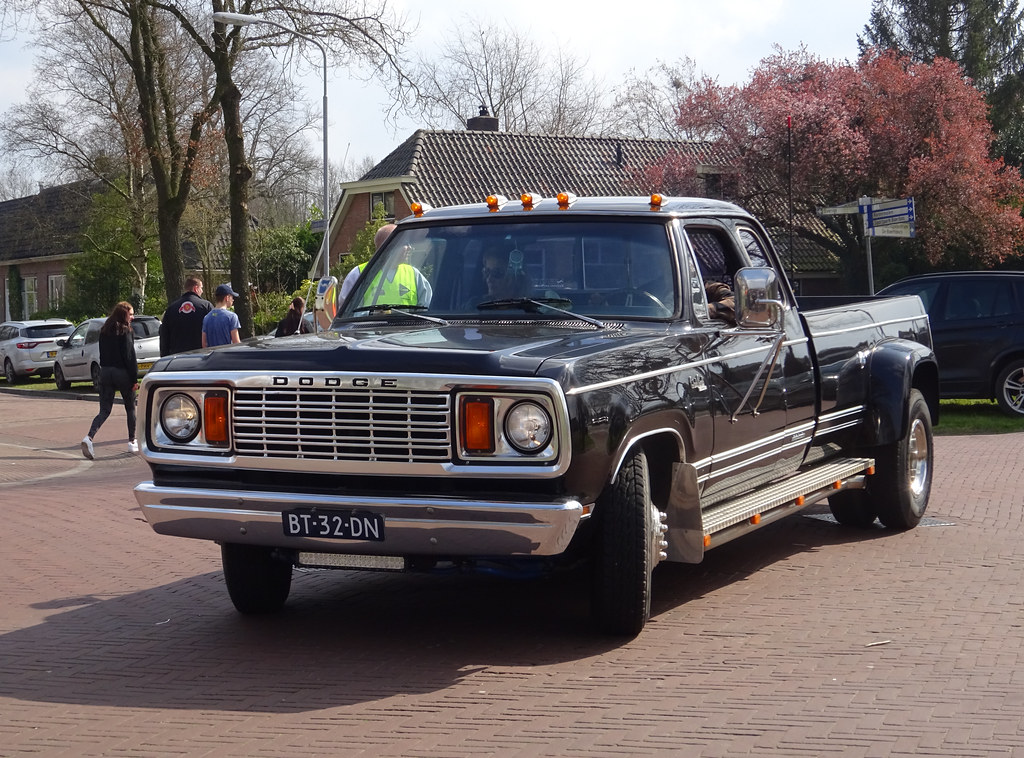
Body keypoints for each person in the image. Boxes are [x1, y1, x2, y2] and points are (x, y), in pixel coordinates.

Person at [81, 301, 140, 459]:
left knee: (104, 410)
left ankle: (89, 437)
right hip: (122, 373)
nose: (133, 317)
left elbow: (102, 354)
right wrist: (134, 378)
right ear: (124, 315)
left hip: (105, 372)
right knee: (130, 408)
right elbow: (129, 356)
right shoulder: (126, 331)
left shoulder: (104, 331)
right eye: (131, 314)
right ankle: (131, 442)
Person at [339, 223, 433, 308]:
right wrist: (371, 315)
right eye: (405, 243)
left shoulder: (414, 274)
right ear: (389, 247)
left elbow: (426, 307)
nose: (410, 248)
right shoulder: (359, 274)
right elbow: (347, 312)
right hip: (371, 327)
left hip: (409, 327)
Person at [159, 275, 212, 356]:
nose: (202, 291)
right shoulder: (206, 306)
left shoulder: (171, 308)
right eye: (201, 288)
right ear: (196, 288)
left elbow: (164, 335)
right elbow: (213, 330)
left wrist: (164, 357)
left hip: (177, 357)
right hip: (201, 355)